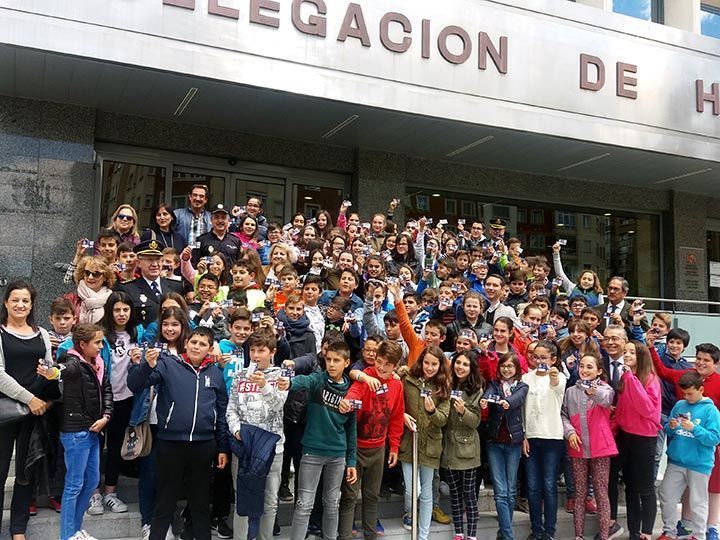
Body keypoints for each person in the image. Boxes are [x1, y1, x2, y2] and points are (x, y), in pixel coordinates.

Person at [127, 327, 229, 540]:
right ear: (186, 344)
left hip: (203, 445)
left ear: (210, 349)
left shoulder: (215, 373)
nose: (196, 347)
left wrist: (222, 446)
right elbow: (135, 384)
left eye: (202, 344)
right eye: (193, 342)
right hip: (170, 444)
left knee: (200, 504)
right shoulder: (168, 364)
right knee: (164, 502)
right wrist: (147, 365)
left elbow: (221, 413)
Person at [277, 340, 358, 540]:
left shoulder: (352, 392)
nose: (331, 364)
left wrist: (352, 461)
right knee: (304, 503)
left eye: (336, 360)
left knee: (332, 503)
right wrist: (289, 382)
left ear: (346, 363)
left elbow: (351, 430)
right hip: (312, 452)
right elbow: (303, 381)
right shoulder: (318, 380)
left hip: (337, 456)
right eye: (328, 359)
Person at [39, 323, 113, 540]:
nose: (101, 346)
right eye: (97, 342)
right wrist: (50, 371)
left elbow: (106, 390)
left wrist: (106, 417)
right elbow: (60, 371)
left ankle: (76, 530)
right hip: (75, 434)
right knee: (73, 485)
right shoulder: (72, 361)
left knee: (91, 482)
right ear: (83, 344)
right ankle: (67, 535)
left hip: (94, 430)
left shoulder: (98, 362)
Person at [0, 281, 56, 540]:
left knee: (26, 470)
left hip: (35, 412)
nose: (20, 305)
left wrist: (48, 387)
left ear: (32, 305)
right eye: (15, 300)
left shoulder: (41, 333)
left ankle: (18, 529)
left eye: (25, 300)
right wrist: (30, 398)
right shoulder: (0, 332)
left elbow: (49, 366)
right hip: (5, 411)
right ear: (6, 303)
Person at [338, 340, 405, 540]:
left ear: (395, 366)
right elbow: (353, 393)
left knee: (372, 495)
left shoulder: (396, 384)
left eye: (388, 364)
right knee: (349, 495)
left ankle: (370, 534)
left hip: (378, 448)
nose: (382, 367)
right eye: (380, 362)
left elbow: (396, 417)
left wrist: (394, 447)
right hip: (356, 446)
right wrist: (348, 403)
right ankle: (344, 535)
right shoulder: (365, 377)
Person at [226, 329, 288, 540]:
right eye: (252, 350)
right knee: (242, 497)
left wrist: (264, 387)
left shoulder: (281, 376)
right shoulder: (240, 376)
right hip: (245, 447)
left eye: (261, 350)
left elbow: (278, 406)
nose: (255, 355)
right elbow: (231, 409)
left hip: (272, 449)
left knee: (270, 500)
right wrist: (236, 430)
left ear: (272, 352)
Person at [658, 371, 720, 540]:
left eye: (690, 393)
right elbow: (668, 429)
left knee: (698, 501)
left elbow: (714, 438)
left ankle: (699, 535)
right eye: (684, 394)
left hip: (700, 463)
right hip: (677, 461)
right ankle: (669, 532)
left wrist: (695, 428)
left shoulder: (711, 411)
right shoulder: (679, 405)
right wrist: (670, 426)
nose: (687, 397)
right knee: (666, 494)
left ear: (701, 389)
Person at [397, 345, 451, 540]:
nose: (429, 367)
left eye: (434, 364)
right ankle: (410, 513)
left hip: (430, 444)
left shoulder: (443, 387)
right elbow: (396, 404)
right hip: (408, 441)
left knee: (427, 491)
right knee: (413, 489)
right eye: (426, 363)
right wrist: (402, 415)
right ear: (421, 362)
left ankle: (423, 535)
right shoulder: (407, 380)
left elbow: (443, 419)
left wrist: (431, 411)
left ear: (440, 366)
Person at [561, 353, 616, 540]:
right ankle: (578, 535)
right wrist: (569, 432)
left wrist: (593, 391)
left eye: (590, 367)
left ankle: (604, 535)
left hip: (601, 447)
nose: (584, 370)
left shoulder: (605, 388)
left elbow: (607, 400)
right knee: (580, 492)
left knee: (601, 492)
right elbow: (563, 415)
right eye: (582, 366)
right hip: (578, 446)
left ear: (599, 371)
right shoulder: (570, 391)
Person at [612, 341, 661, 540]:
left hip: (644, 438)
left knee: (646, 487)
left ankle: (647, 531)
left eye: (631, 352)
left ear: (641, 356)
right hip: (625, 435)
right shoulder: (626, 377)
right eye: (625, 352)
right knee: (630, 486)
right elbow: (623, 410)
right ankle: (634, 531)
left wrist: (631, 379)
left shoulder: (650, 380)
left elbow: (647, 408)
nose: (627, 355)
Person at [480, 352, 529, 540]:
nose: (506, 369)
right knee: (501, 492)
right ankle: (508, 536)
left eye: (510, 366)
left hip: (513, 443)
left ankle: (504, 533)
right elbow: (489, 394)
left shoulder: (522, 386)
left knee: (510, 491)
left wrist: (507, 402)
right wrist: (486, 400)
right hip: (494, 443)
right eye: (503, 366)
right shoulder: (494, 384)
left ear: (516, 369)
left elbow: (517, 399)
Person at [522, 340, 567, 540]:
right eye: (536, 357)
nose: (539, 361)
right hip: (530, 436)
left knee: (549, 484)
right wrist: (523, 435)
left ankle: (549, 531)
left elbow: (557, 388)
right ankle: (536, 529)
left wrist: (554, 375)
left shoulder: (559, 377)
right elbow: (522, 410)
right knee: (532, 486)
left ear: (553, 359)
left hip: (552, 436)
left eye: (543, 358)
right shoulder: (525, 378)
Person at [442, 350, 483, 540]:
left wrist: (462, 411)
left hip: (467, 448)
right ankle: (459, 533)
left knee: (469, 494)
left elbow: (475, 421)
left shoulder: (476, 389)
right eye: (458, 363)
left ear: (471, 368)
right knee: (455, 494)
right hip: (448, 447)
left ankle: (472, 535)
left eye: (465, 364)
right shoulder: (445, 384)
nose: (460, 367)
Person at [116, 240, 184, 327]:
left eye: (158, 260)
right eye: (150, 260)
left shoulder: (176, 286)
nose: (155, 264)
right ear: (139, 263)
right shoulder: (127, 289)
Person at [72, 256, 116, 323]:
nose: (90, 277)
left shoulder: (113, 300)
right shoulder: (71, 300)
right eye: (87, 273)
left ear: (105, 277)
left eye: (96, 274)